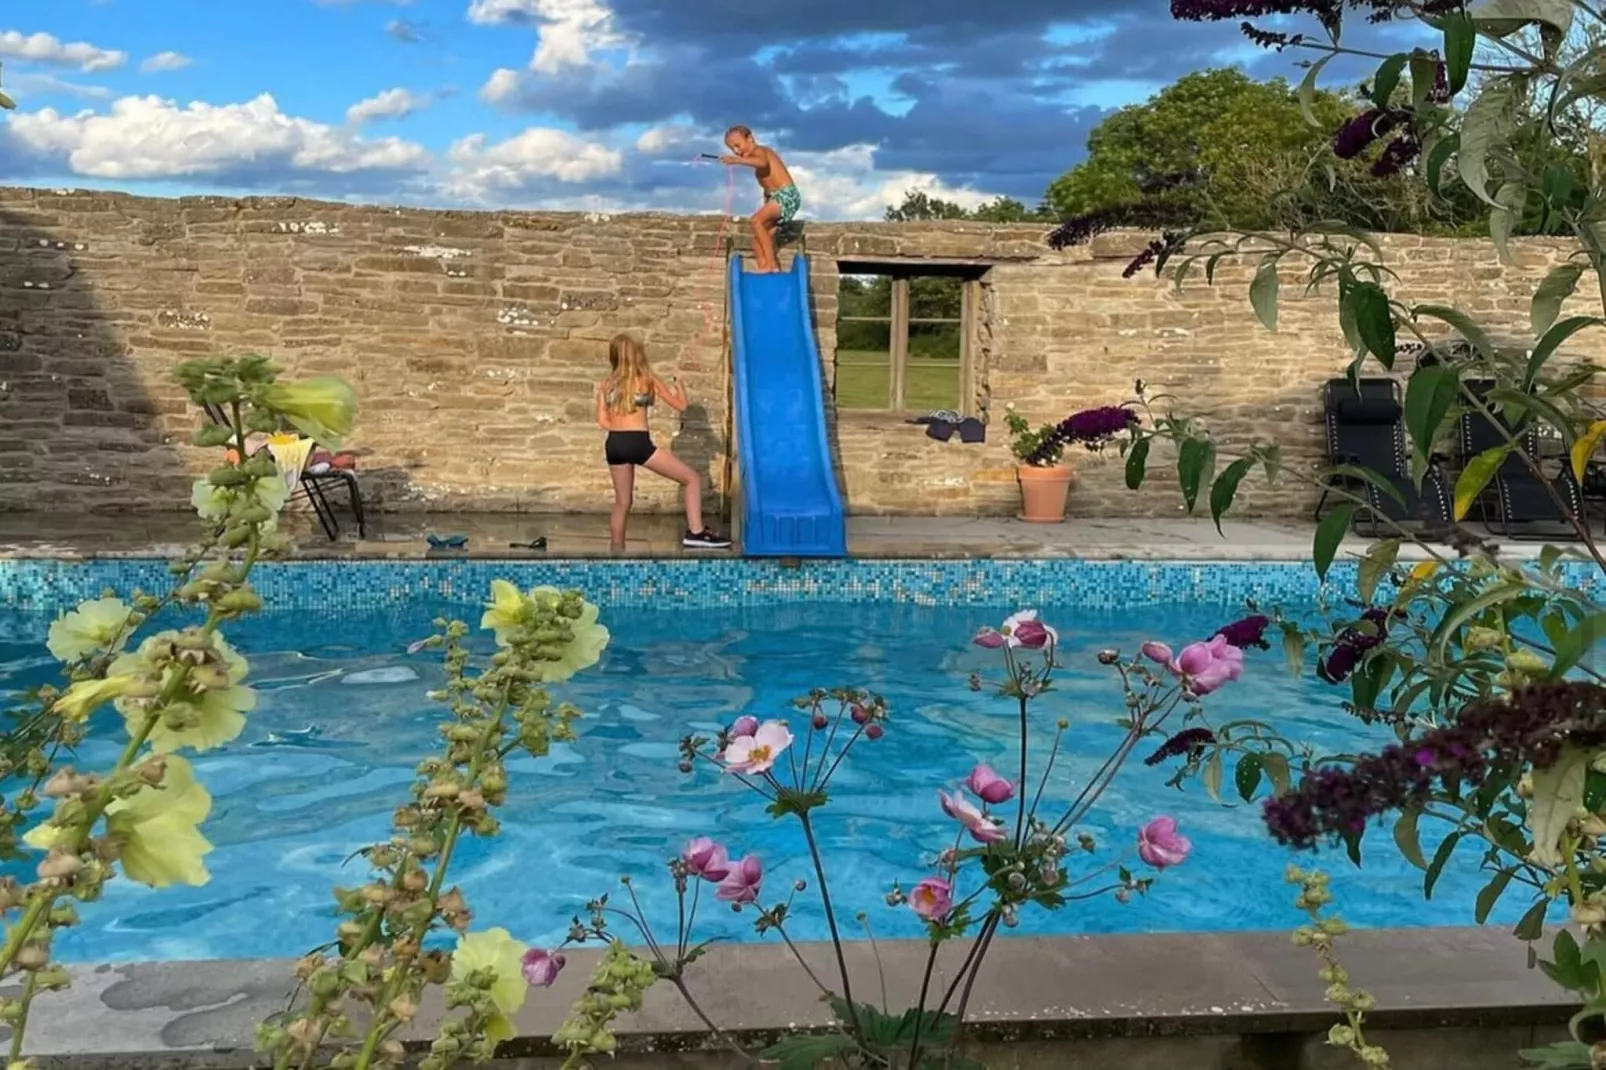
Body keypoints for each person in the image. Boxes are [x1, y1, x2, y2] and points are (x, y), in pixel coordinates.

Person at [595, 333, 731, 552]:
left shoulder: (606, 385)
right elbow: (680, 406)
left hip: (614, 443)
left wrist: (621, 422)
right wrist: (680, 385)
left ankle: (616, 550)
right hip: (637, 442)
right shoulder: (647, 378)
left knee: (622, 502)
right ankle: (696, 532)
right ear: (638, 354)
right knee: (691, 478)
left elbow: (602, 421)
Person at [720, 125, 800, 273]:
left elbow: (761, 162)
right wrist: (766, 208)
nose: (737, 151)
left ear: (749, 138)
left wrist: (736, 160)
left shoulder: (761, 151)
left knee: (756, 221)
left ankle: (772, 266)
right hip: (776, 200)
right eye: (732, 149)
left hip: (787, 195)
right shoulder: (757, 170)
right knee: (757, 243)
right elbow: (767, 191)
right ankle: (765, 272)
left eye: (738, 145)